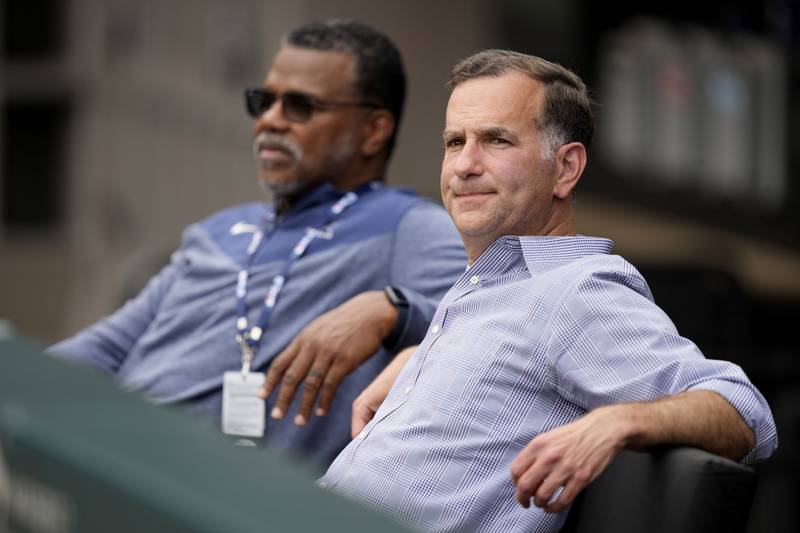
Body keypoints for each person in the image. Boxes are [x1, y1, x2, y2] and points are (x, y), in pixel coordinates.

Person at [320, 50, 778, 531]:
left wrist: (621, 421)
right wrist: (422, 357)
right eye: (455, 142)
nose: (464, 165)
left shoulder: (577, 290)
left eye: (496, 140)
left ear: (566, 169)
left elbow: (744, 411)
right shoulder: (493, 285)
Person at [49, 20, 466, 468]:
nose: (269, 120)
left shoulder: (408, 226)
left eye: (300, 106)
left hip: (218, 496)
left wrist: (394, 311)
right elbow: (106, 349)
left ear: (373, 130)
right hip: (108, 462)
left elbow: (487, 323)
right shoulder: (218, 232)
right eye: (263, 101)